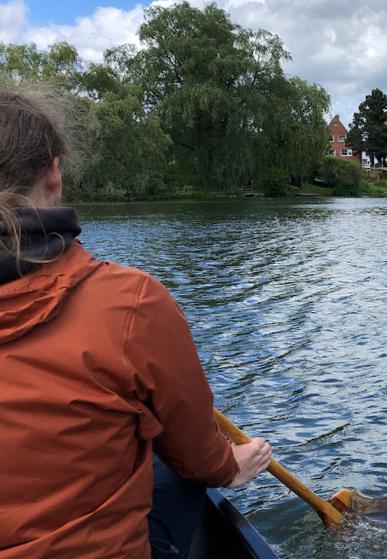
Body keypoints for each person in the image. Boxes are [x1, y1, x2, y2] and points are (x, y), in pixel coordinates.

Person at [0, 88, 273, 558]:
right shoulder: (130, 302)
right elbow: (198, 457)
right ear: (54, 173)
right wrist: (229, 468)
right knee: (172, 469)